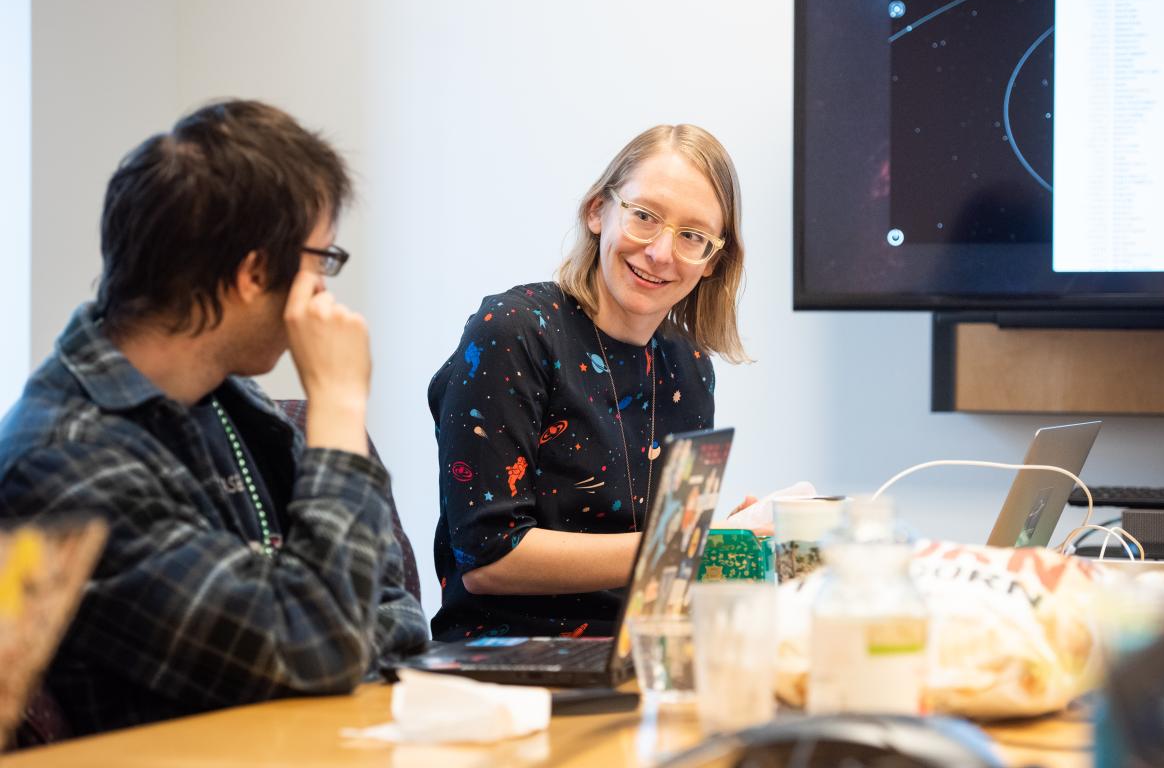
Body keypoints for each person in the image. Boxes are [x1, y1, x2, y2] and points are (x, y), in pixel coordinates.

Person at [0, 100, 426, 736]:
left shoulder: (226, 399)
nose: (322, 291)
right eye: (320, 259)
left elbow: (395, 614)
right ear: (254, 273)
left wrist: (326, 630)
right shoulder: (65, 459)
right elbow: (315, 645)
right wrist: (338, 407)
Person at [429, 124, 749, 641]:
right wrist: (691, 541)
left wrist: (733, 544)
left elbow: (664, 570)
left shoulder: (690, 367)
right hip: (505, 670)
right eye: (645, 216)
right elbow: (487, 559)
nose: (662, 252)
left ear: (712, 261)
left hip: (638, 664)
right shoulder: (514, 333)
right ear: (598, 211)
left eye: (692, 236)